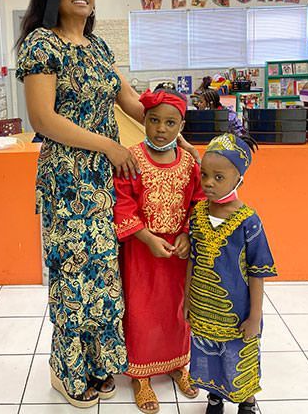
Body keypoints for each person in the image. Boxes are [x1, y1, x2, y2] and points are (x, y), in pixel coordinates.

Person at [15, 0, 199, 408]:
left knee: (104, 276)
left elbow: (135, 103)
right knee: (74, 277)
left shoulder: (97, 48)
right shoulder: (42, 44)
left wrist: (184, 140)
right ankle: (66, 371)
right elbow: (43, 118)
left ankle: (99, 365)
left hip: (106, 178)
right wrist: (111, 147)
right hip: (70, 179)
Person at [113, 86, 204, 414]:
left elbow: (199, 202)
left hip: (177, 256)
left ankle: (180, 364)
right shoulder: (131, 158)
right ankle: (142, 374)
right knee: (141, 309)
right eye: (154, 121)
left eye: (170, 123)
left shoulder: (191, 164)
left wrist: (188, 236)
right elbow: (122, 204)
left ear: (181, 126)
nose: (161, 129)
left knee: (178, 309)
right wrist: (147, 238)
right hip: (142, 252)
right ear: (144, 120)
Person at [184, 134, 277, 414]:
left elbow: (257, 273)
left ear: (238, 179)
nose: (209, 183)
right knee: (208, 354)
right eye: (205, 175)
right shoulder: (197, 214)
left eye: (219, 177)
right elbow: (191, 260)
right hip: (203, 306)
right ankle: (214, 397)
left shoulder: (248, 221)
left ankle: (247, 402)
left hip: (238, 314)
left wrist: (255, 317)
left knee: (239, 357)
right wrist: (188, 299)